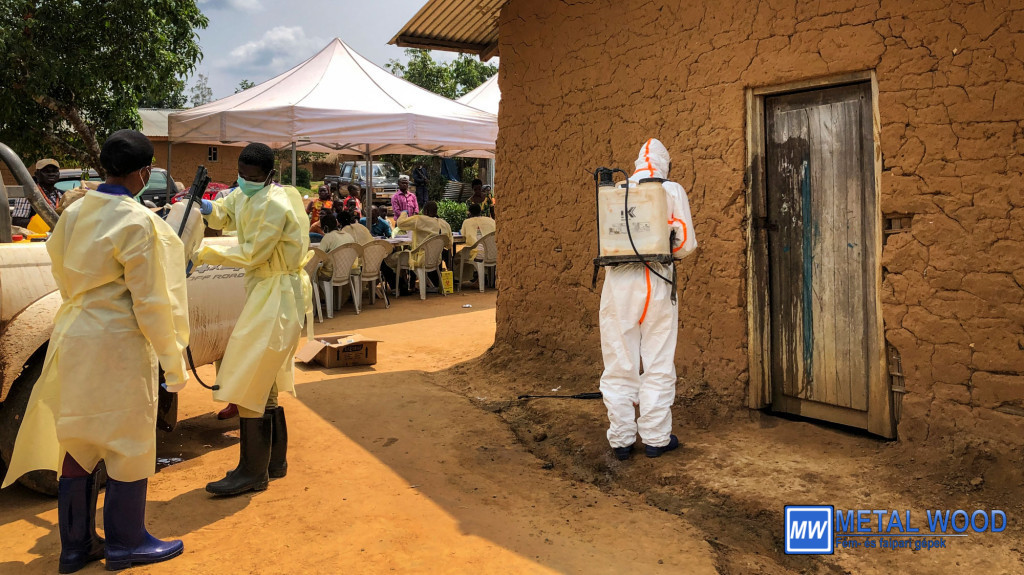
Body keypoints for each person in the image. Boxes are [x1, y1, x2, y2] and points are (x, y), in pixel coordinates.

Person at [1, 130, 189, 572]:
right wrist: (172, 361)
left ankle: (76, 546)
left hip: (73, 334)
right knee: (128, 443)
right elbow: (151, 303)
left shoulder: (74, 212)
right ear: (143, 172)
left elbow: (58, 264)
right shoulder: (138, 221)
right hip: (118, 343)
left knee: (78, 442)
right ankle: (127, 543)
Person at [195, 142, 312, 496]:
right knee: (266, 378)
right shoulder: (247, 193)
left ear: (269, 175)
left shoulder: (274, 203)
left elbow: (252, 253)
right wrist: (205, 207)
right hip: (265, 290)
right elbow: (227, 211)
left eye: (252, 177)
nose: (245, 181)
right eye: (242, 175)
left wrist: (202, 254)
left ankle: (252, 471)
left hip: (278, 293)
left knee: (249, 374)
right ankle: (272, 463)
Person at [599, 138, 697, 461]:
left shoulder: (616, 190)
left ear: (638, 163)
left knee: (619, 359)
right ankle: (656, 438)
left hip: (619, 283)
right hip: (657, 280)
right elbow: (685, 244)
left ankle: (621, 440)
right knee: (658, 358)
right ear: (666, 164)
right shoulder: (672, 190)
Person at [385, 201, 452, 293]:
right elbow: (449, 244)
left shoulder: (419, 220)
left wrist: (404, 213)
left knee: (388, 258)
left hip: (418, 260)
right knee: (410, 254)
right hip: (436, 259)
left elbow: (400, 224)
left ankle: (400, 286)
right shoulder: (445, 224)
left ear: (426, 211)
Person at [11, 158, 64, 228]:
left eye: (54, 171)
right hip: (37, 234)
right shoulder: (28, 195)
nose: (51, 174)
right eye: (46, 171)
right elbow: (17, 221)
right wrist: (44, 224)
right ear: (37, 174)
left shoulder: (63, 195)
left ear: (59, 174)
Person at [456, 203, 496, 288]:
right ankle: (482, 277)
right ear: (480, 211)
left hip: (477, 253)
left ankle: (458, 280)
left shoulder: (467, 222)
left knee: (457, 257)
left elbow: (463, 235)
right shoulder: (491, 220)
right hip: (494, 253)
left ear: (469, 213)